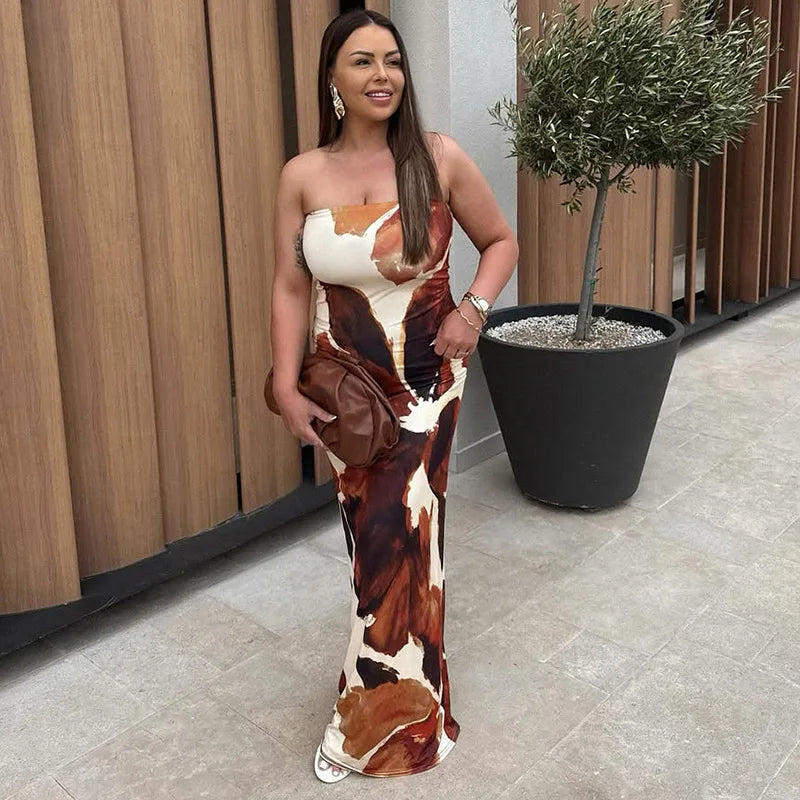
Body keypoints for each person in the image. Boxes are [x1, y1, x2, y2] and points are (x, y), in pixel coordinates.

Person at [270, 8, 518, 782]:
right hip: (346, 390)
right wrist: (282, 382)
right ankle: (412, 695)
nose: (382, 75)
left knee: (399, 547)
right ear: (333, 79)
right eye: (361, 61)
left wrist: (471, 313)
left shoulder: (436, 158)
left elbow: (501, 242)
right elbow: (287, 283)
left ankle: (373, 728)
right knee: (375, 552)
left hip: (425, 386)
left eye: (393, 61)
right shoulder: (302, 174)